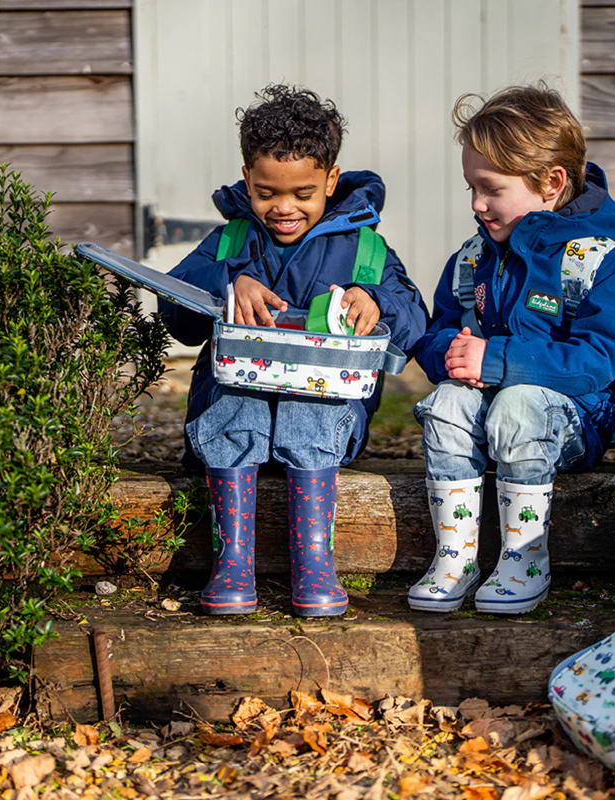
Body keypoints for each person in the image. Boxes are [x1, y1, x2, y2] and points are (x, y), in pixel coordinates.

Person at [159, 84, 428, 618]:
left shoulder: (365, 248)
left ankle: (314, 563)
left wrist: (374, 301)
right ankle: (233, 562)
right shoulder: (231, 242)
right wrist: (228, 284)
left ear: (330, 179)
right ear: (246, 179)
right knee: (238, 396)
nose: (283, 208)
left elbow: (413, 317)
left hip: (323, 427)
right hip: (233, 425)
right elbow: (177, 314)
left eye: (303, 193)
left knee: (313, 399)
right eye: (266, 193)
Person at [408, 84, 615, 615]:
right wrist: (449, 353)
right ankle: (456, 555)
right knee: (446, 403)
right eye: (470, 186)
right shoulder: (474, 259)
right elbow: (439, 328)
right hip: (488, 413)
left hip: (571, 423)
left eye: (490, 188)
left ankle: (523, 558)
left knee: (518, 405)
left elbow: (597, 362)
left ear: (551, 184)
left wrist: (497, 360)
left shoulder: (596, 263)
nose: (476, 204)